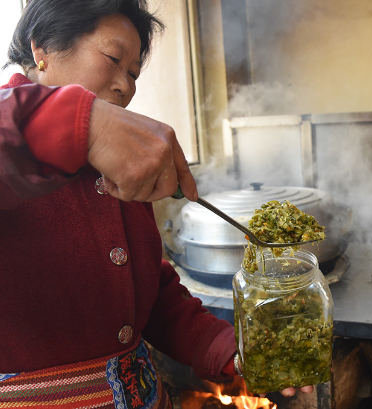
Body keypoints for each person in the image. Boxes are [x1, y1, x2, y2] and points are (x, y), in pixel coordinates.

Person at [0, 0, 314, 408]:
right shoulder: (18, 134)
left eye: (133, 73)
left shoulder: (113, 168)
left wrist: (232, 349)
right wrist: (84, 123)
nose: (125, 86)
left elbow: (153, 296)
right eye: (113, 59)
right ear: (41, 48)